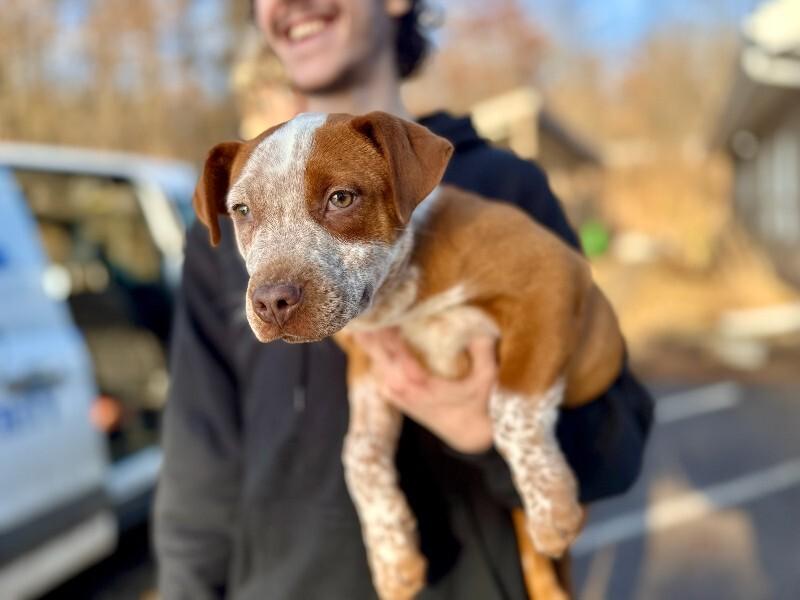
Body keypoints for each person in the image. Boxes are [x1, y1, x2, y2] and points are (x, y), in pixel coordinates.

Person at [154, 1, 654, 598]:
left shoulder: (508, 190)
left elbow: (618, 446)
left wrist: (490, 433)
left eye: (341, 198)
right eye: (244, 213)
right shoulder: (224, 225)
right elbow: (197, 470)